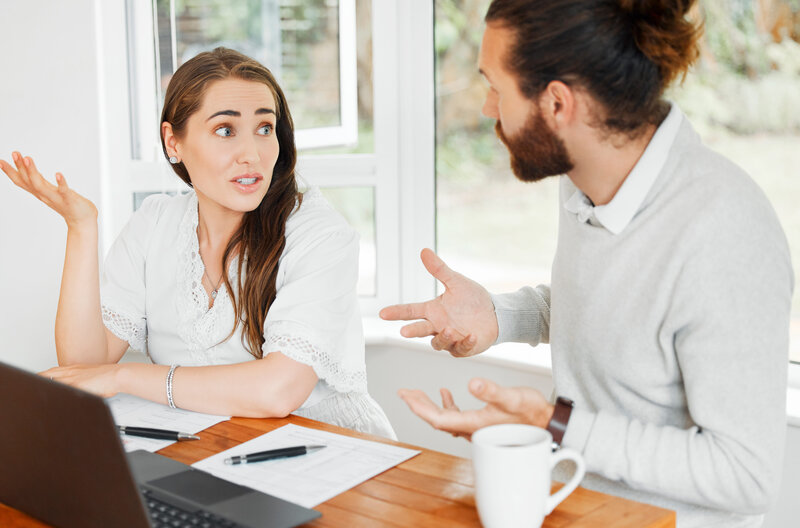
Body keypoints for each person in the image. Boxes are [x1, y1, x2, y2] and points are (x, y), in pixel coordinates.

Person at [380, 1, 793, 526]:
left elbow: (745, 475)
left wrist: (553, 424)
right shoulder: (585, 182)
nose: (487, 108)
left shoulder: (725, 232)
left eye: (496, 87)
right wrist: (502, 316)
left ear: (557, 103)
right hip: (570, 506)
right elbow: (629, 312)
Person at [1, 47, 395, 439]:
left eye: (264, 128)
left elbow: (279, 391)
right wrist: (81, 228)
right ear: (173, 142)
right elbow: (84, 369)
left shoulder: (319, 235)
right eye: (225, 130)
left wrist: (125, 376)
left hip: (332, 452)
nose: (252, 154)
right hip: (213, 448)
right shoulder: (154, 224)